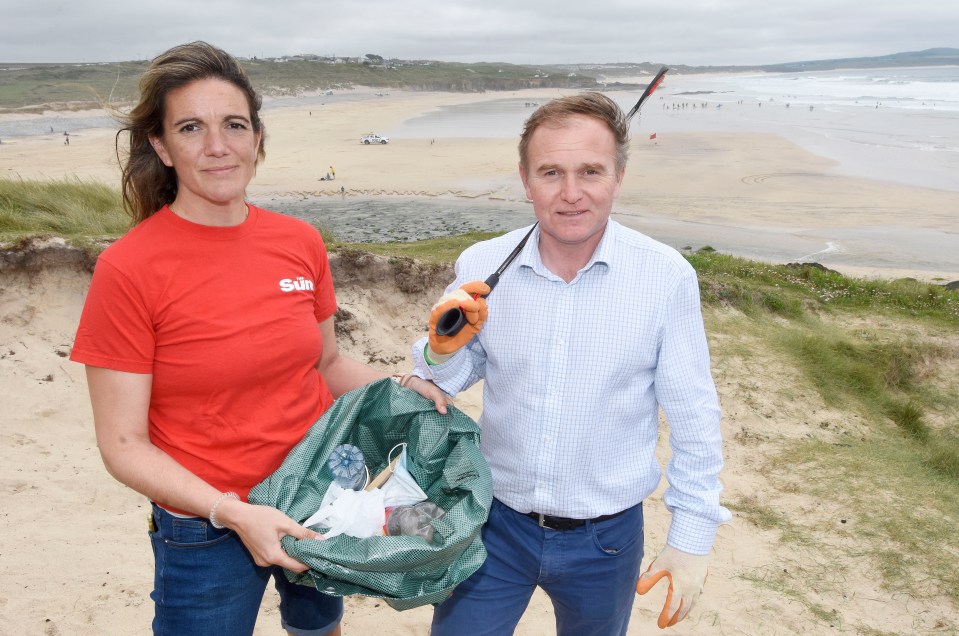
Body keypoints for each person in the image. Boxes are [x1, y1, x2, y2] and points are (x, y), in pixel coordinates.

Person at [70, 41, 445, 636]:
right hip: (205, 525)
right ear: (162, 147)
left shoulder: (298, 240)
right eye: (191, 127)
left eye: (234, 125)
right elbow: (122, 444)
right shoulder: (129, 268)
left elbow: (325, 364)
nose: (217, 146)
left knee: (318, 628)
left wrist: (403, 385)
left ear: (257, 139)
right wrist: (231, 511)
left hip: (318, 494)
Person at [411, 92, 730, 635]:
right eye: (551, 172)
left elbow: (695, 415)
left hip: (606, 540)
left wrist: (691, 539)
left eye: (591, 171)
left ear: (619, 175)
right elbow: (443, 380)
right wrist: (437, 352)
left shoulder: (666, 277)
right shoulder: (483, 264)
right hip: (494, 523)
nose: (571, 193)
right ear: (525, 178)